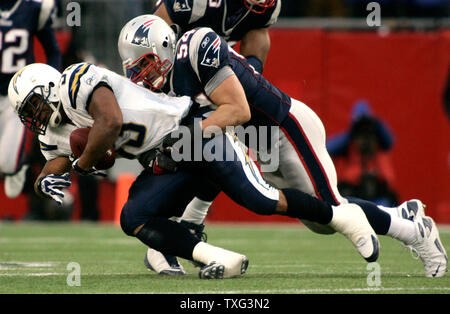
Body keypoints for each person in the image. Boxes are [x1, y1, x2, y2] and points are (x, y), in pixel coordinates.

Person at [117, 15, 448, 278]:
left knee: (330, 210)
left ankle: (412, 228)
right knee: (316, 218)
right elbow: (208, 149)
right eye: (134, 69)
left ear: (163, 48)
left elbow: (237, 112)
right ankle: (186, 231)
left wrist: (181, 139)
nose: (140, 75)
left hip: (284, 127)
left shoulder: (196, 46)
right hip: (253, 139)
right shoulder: (162, 91)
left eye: (144, 64)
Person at [8, 62, 381, 278]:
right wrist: (44, 183)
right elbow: (52, 161)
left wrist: (82, 164)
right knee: (134, 216)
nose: (36, 117)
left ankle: (341, 216)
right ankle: (214, 257)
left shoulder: (76, 79)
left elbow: (109, 122)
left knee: (262, 200)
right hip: (165, 160)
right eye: (29, 114)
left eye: (35, 105)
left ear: (50, 87)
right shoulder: (53, 129)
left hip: (192, 132)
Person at [0, 0, 61, 198]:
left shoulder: (35, 9)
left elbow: (52, 50)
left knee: (6, 164)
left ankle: (16, 168)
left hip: (16, 97)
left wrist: (54, 82)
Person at [151, 0, 280, 74]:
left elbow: (258, 33)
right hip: (172, 62)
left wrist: (249, 72)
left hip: (215, 68)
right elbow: (154, 30)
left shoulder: (269, 6)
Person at [327, 100, 398, 207]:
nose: (364, 137)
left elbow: (390, 141)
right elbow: (329, 148)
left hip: (378, 192)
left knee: (388, 204)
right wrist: (351, 133)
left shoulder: (380, 139)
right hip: (354, 191)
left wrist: (376, 124)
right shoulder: (349, 142)